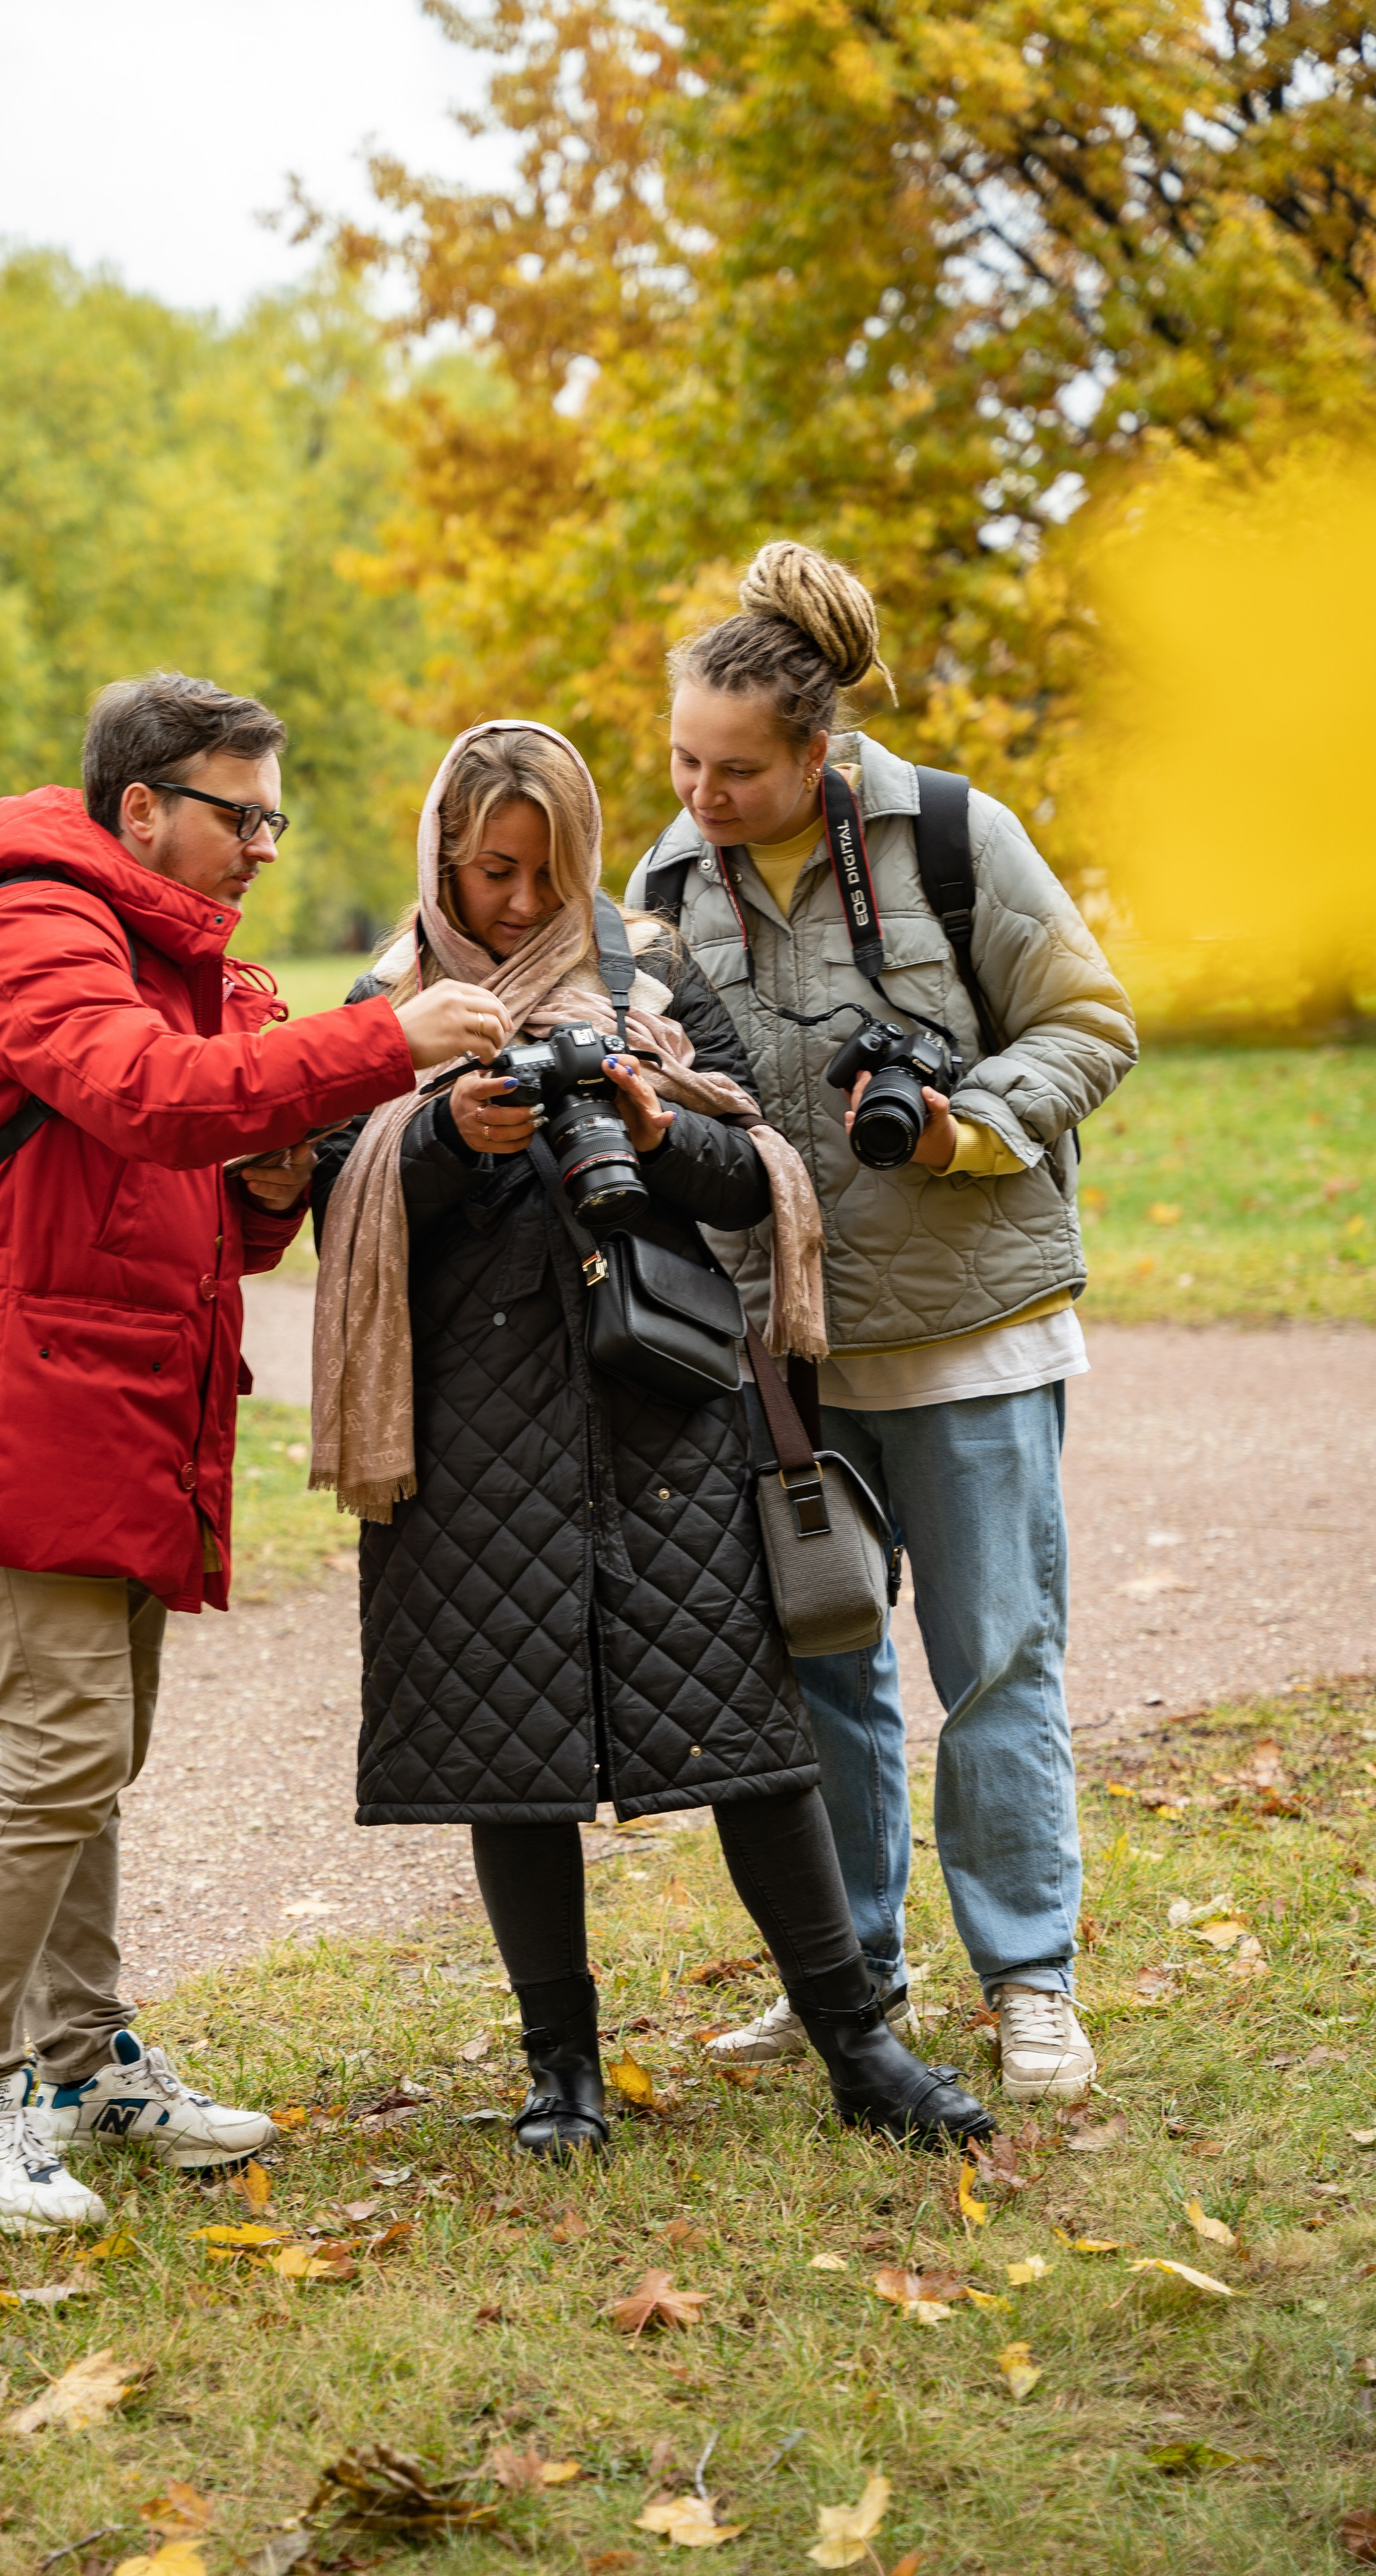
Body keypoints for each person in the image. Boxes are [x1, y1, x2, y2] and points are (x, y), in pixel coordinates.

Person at [310, 719, 994, 2160]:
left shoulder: (647, 967)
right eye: (491, 872)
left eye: (545, 872)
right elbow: (330, 1196)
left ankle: (859, 2046)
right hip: (470, 1421)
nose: (518, 902)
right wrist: (445, 1138)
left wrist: (654, 1124)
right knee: (509, 1747)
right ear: (443, 858)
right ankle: (561, 2071)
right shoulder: (391, 998)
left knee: (750, 1735)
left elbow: (754, 1172)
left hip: (664, 1395)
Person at [0, 669, 505, 2233]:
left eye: (275, 817)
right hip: (29, 1393)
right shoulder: (36, 928)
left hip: (127, 1395)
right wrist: (378, 1043)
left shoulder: (180, 961)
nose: (266, 847)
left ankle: (80, 2060)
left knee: (98, 1756)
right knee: (62, 1750)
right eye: (245, 816)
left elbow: (196, 1207)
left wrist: (274, 1177)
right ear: (142, 807)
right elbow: (147, 1100)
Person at [625, 545, 1138, 2106]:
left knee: (995, 1666)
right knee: (817, 1676)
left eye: (735, 770)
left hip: (970, 1329)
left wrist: (960, 1128)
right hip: (780, 1350)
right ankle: (845, 1975)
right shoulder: (664, 885)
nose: (700, 795)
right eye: (682, 761)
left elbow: (1088, 1023)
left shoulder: (955, 839)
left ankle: (1028, 1980)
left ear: (817, 754)